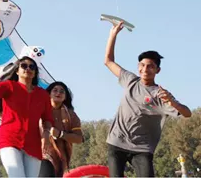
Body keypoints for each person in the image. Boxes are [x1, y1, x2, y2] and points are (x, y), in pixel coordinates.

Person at [104, 21, 192, 177]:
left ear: (157, 70)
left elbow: (187, 113)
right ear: (138, 66)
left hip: (142, 148)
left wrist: (172, 103)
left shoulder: (160, 94)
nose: (145, 69)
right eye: (142, 65)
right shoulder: (130, 80)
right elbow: (108, 61)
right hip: (117, 142)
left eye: (150, 66)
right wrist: (113, 35)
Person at [0, 44, 53, 178]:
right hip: (9, 139)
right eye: (24, 66)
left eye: (31, 67)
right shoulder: (9, 87)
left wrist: (46, 135)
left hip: (33, 144)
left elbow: (48, 119)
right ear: (17, 71)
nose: (27, 69)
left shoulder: (43, 94)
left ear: (35, 72)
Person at [39, 82, 83, 177]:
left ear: (65, 97)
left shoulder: (71, 115)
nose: (58, 93)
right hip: (41, 155)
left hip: (61, 160)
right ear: (48, 94)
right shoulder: (39, 110)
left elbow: (79, 138)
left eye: (62, 91)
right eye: (55, 90)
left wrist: (61, 134)